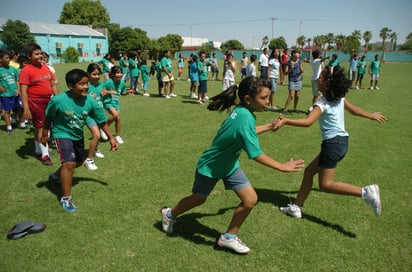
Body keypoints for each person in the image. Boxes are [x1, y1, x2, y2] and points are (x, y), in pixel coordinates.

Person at [160, 76, 304, 254]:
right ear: (248, 99)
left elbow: (245, 133)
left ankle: (228, 237)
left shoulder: (243, 112)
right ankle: (169, 214)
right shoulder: (244, 117)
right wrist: (282, 166)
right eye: (264, 98)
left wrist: (268, 126)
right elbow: (255, 153)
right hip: (211, 166)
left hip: (229, 166)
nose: (267, 102)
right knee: (198, 199)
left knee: (250, 199)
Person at [275, 65, 386, 219]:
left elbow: (308, 122)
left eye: (320, 77)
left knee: (326, 185)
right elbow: (354, 110)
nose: (317, 79)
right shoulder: (339, 98)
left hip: (332, 145)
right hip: (341, 142)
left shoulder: (322, 102)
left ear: (327, 82)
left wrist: (286, 120)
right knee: (309, 172)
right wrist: (370, 115)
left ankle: (366, 192)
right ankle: (296, 207)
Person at [44, 69, 118, 212]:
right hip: (62, 133)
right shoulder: (59, 100)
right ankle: (66, 198)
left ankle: (55, 176)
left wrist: (111, 138)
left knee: (77, 162)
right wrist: (45, 133)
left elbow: (101, 121)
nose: (85, 87)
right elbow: (48, 116)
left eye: (86, 83)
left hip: (77, 135)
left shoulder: (90, 101)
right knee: (69, 164)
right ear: (71, 86)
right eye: (81, 84)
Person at [19, 43, 59, 166]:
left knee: (39, 127)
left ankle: (38, 149)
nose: (40, 56)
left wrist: (57, 100)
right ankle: (45, 155)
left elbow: (53, 85)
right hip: (35, 102)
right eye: (36, 54)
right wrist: (26, 109)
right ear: (28, 56)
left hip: (48, 101)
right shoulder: (26, 71)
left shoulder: (46, 68)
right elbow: (23, 91)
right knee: (43, 127)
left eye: (40, 53)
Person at [83, 63, 108, 171]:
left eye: (98, 74)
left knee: (97, 134)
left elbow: (103, 99)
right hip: (88, 115)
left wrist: (105, 95)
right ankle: (89, 159)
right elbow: (79, 98)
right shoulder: (85, 85)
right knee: (97, 135)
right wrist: (88, 97)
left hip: (98, 113)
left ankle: (95, 150)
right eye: (94, 74)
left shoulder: (101, 85)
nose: (97, 76)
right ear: (88, 74)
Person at [102, 66, 133, 144]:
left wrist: (128, 92)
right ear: (112, 74)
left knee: (118, 118)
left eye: (120, 72)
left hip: (116, 104)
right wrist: (109, 92)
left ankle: (118, 136)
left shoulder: (122, 83)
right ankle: (103, 128)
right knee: (115, 115)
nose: (120, 74)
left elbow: (122, 93)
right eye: (117, 73)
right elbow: (101, 91)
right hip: (107, 102)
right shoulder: (108, 82)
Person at [0, 49, 24, 134]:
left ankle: (14, 121)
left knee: (19, 108)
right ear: (1, 60)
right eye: (6, 58)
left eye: (9, 58)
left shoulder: (14, 69)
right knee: (7, 111)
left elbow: (17, 81)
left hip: (15, 93)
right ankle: (9, 127)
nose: (8, 59)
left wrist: (18, 90)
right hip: (5, 94)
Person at [283, 49, 304, 113]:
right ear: (293, 54)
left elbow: (301, 70)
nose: (298, 54)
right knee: (291, 95)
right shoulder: (288, 63)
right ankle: (285, 109)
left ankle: (295, 108)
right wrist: (291, 69)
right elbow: (285, 73)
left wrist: (301, 71)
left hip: (298, 80)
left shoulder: (299, 62)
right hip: (292, 80)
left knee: (297, 95)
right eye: (297, 53)